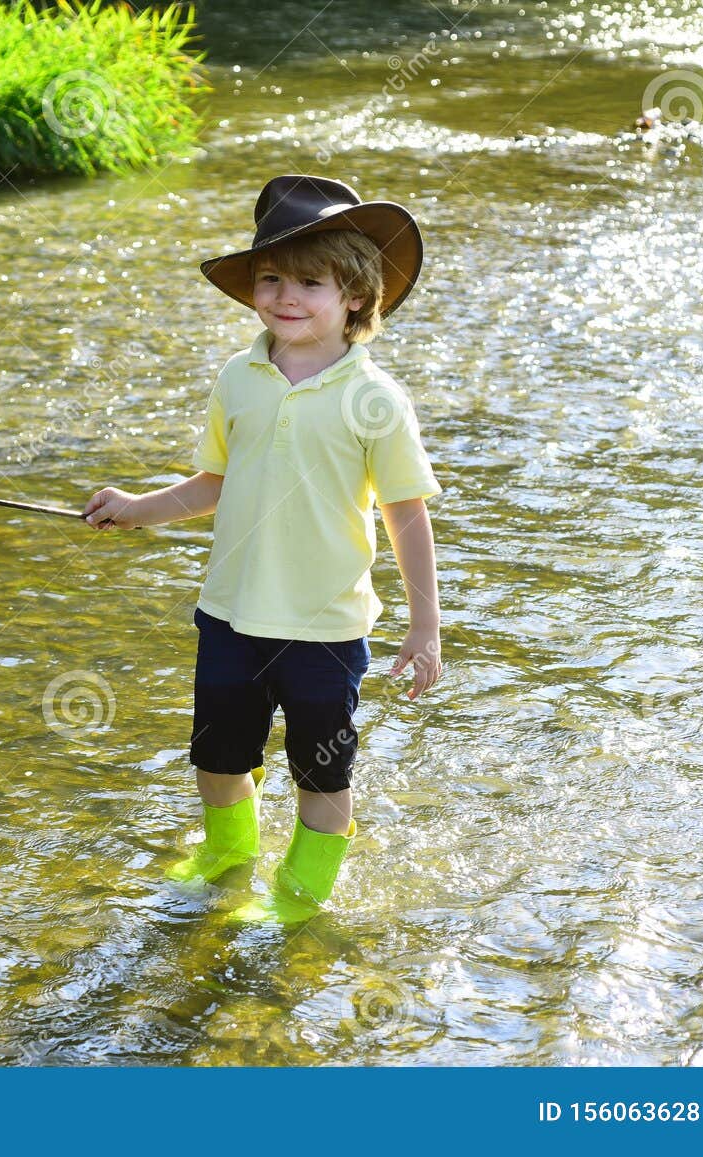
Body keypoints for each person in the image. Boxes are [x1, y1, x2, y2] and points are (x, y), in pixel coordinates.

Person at [82, 174, 443, 923]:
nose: (285, 295)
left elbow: (407, 516)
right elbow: (212, 482)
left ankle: (303, 888)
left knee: (321, 773)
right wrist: (136, 510)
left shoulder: (375, 399)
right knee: (217, 756)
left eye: (311, 281)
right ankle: (228, 852)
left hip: (325, 628)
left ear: (356, 296)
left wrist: (424, 626)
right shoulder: (237, 378)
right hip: (231, 615)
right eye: (271, 277)